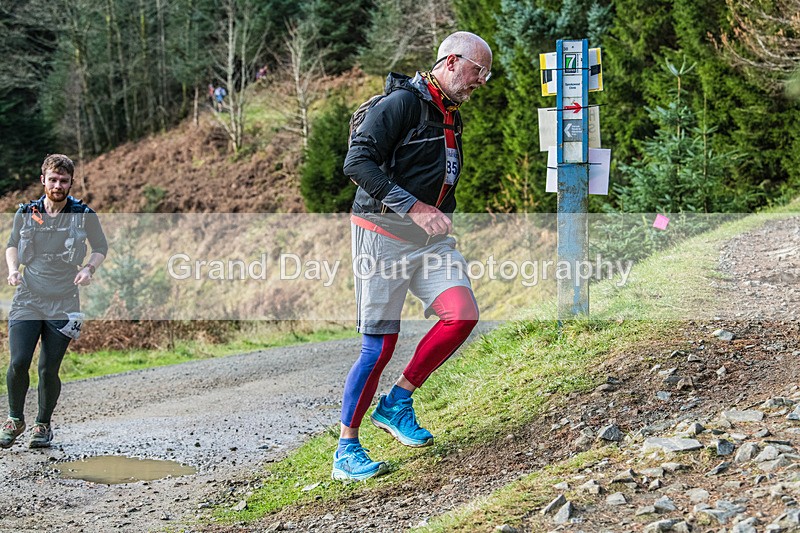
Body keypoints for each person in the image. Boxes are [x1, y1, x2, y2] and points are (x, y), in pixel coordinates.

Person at [332, 31, 491, 481]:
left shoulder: (450, 113)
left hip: (429, 242)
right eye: (478, 71)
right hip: (381, 235)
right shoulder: (401, 103)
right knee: (379, 346)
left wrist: (439, 214)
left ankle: (397, 402)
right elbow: (356, 164)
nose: (482, 81)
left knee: (462, 314)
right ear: (451, 61)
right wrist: (416, 208)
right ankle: (346, 449)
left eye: (486, 74)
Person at [0, 154, 107, 449]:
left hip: (64, 300)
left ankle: (42, 425)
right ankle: (14, 419)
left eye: (63, 180)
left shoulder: (83, 214)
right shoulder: (27, 212)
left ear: (71, 183)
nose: (58, 185)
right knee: (18, 362)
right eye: (53, 179)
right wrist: (12, 270)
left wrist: (88, 268)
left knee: (48, 369)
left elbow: (100, 247)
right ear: (43, 180)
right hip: (28, 297)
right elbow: (11, 245)